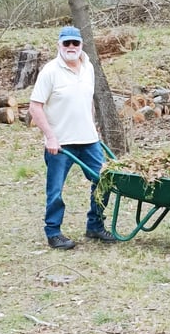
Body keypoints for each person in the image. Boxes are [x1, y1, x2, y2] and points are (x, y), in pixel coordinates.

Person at [29, 26, 116, 249]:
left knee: (104, 181)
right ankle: (53, 232)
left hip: (88, 140)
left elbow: (87, 102)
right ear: (59, 45)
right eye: (66, 43)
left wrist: (94, 127)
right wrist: (50, 137)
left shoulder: (88, 68)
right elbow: (35, 107)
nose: (71, 47)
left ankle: (95, 225)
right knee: (56, 189)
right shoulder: (50, 71)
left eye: (74, 43)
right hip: (60, 143)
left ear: (81, 45)